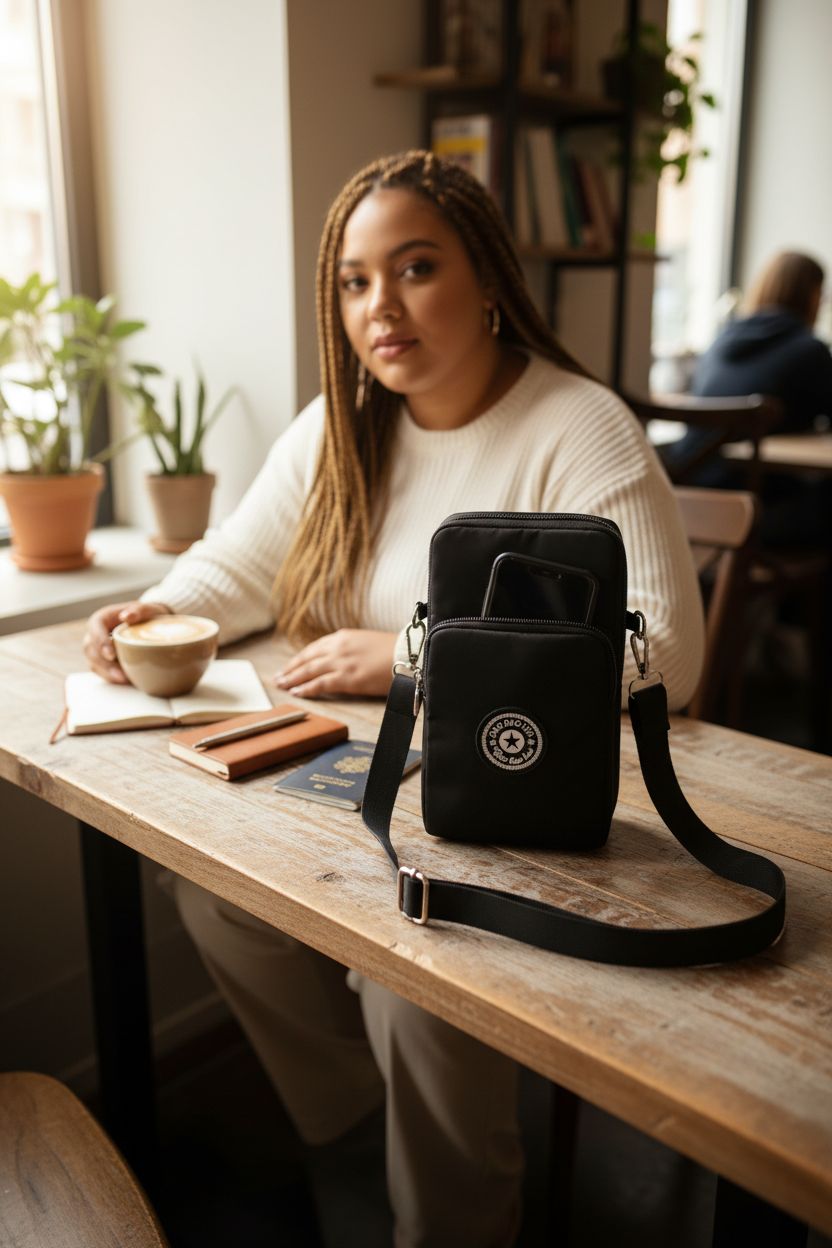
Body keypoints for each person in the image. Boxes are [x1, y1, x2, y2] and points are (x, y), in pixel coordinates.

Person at [84, 151, 704, 1248]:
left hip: (517, 791)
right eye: (356, 281)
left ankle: (451, 1219)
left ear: (489, 278)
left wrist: (416, 657)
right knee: (215, 898)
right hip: (363, 780)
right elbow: (237, 565)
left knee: (411, 979)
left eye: (415, 268)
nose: (381, 306)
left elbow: (665, 647)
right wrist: (154, 610)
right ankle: (355, 1137)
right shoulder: (344, 423)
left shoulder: (579, 425)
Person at [663, 250, 832, 546]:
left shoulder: (721, 340)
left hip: (686, 508)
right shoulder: (810, 351)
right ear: (811, 295)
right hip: (751, 513)